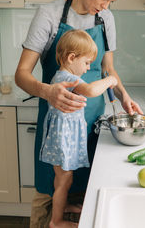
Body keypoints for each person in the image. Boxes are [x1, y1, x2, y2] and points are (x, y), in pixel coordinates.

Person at [15, 0, 143, 227]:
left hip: (92, 127)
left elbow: (109, 69)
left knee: (86, 194)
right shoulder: (49, 15)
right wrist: (47, 91)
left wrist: (123, 95)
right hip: (58, 126)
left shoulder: (105, 19)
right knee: (47, 193)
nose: (106, 5)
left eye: (112, 1)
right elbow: (22, 74)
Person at [40, 29, 117, 228]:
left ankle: (62, 206)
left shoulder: (61, 75)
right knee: (64, 181)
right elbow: (91, 90)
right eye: (86, 62)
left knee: (63, 179)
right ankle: (56, 221)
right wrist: (111, 79)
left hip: (63, 138)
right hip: (62, 140)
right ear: (71, 57)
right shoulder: (67, 77)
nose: (88, 68)